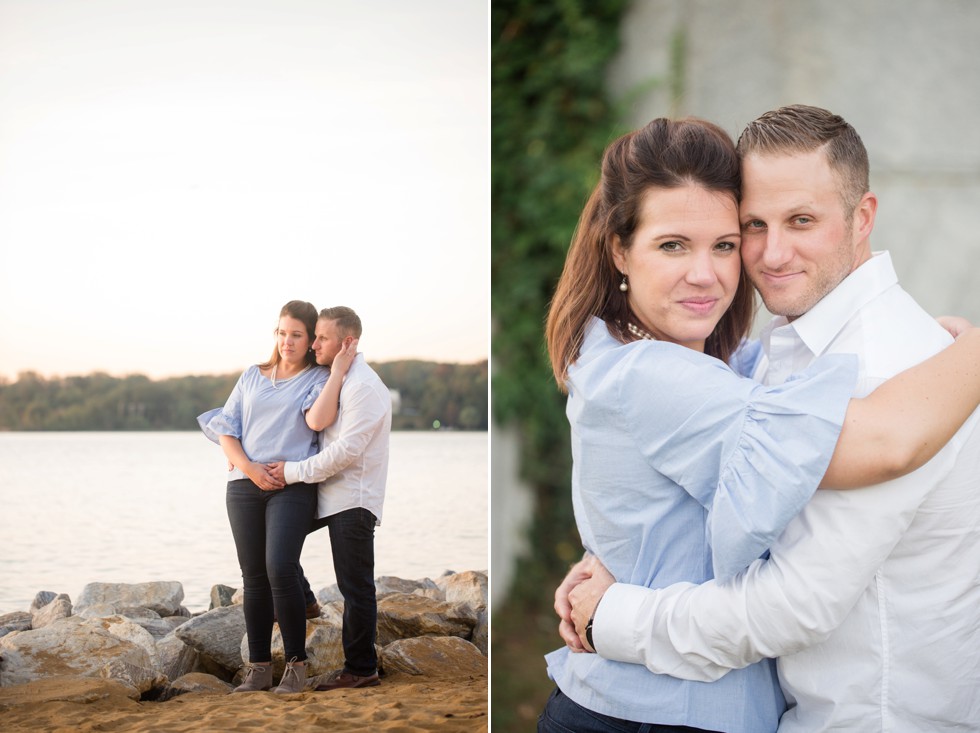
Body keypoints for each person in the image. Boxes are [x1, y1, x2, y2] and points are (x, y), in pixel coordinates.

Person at [538, 114, 980, 733]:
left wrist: (616, 592)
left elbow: (791, 593)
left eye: (723, 243)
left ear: (862, 218)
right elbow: (878, 441)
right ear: (619, 249)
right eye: (752, 228)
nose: (767, 254)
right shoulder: (680, 369)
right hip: (663, 712)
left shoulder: (854, 362)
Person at [198, 300, 354, 694]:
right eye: (282, 332)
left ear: (310, 340)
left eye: (298, 335)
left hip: (292, 486)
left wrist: (335, 372)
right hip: (244, 486)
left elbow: (318, 421)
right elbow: (226, 430)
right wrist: (249, 468)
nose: (288, 341)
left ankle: (296, 667)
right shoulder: (253, 375)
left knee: (279, 568)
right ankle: (259, 668)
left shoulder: (316, 380)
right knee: (253, 578)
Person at [269, 305, 393, 692]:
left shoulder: (365, 388)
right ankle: (306, 600)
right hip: (324, 493)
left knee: (355, 588)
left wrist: (290, 471)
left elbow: (344, 454)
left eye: (322, 338)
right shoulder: (335, 378)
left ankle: (361, 668)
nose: (314, 344)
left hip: (353, 500)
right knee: (274, 543)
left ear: (348, 342)